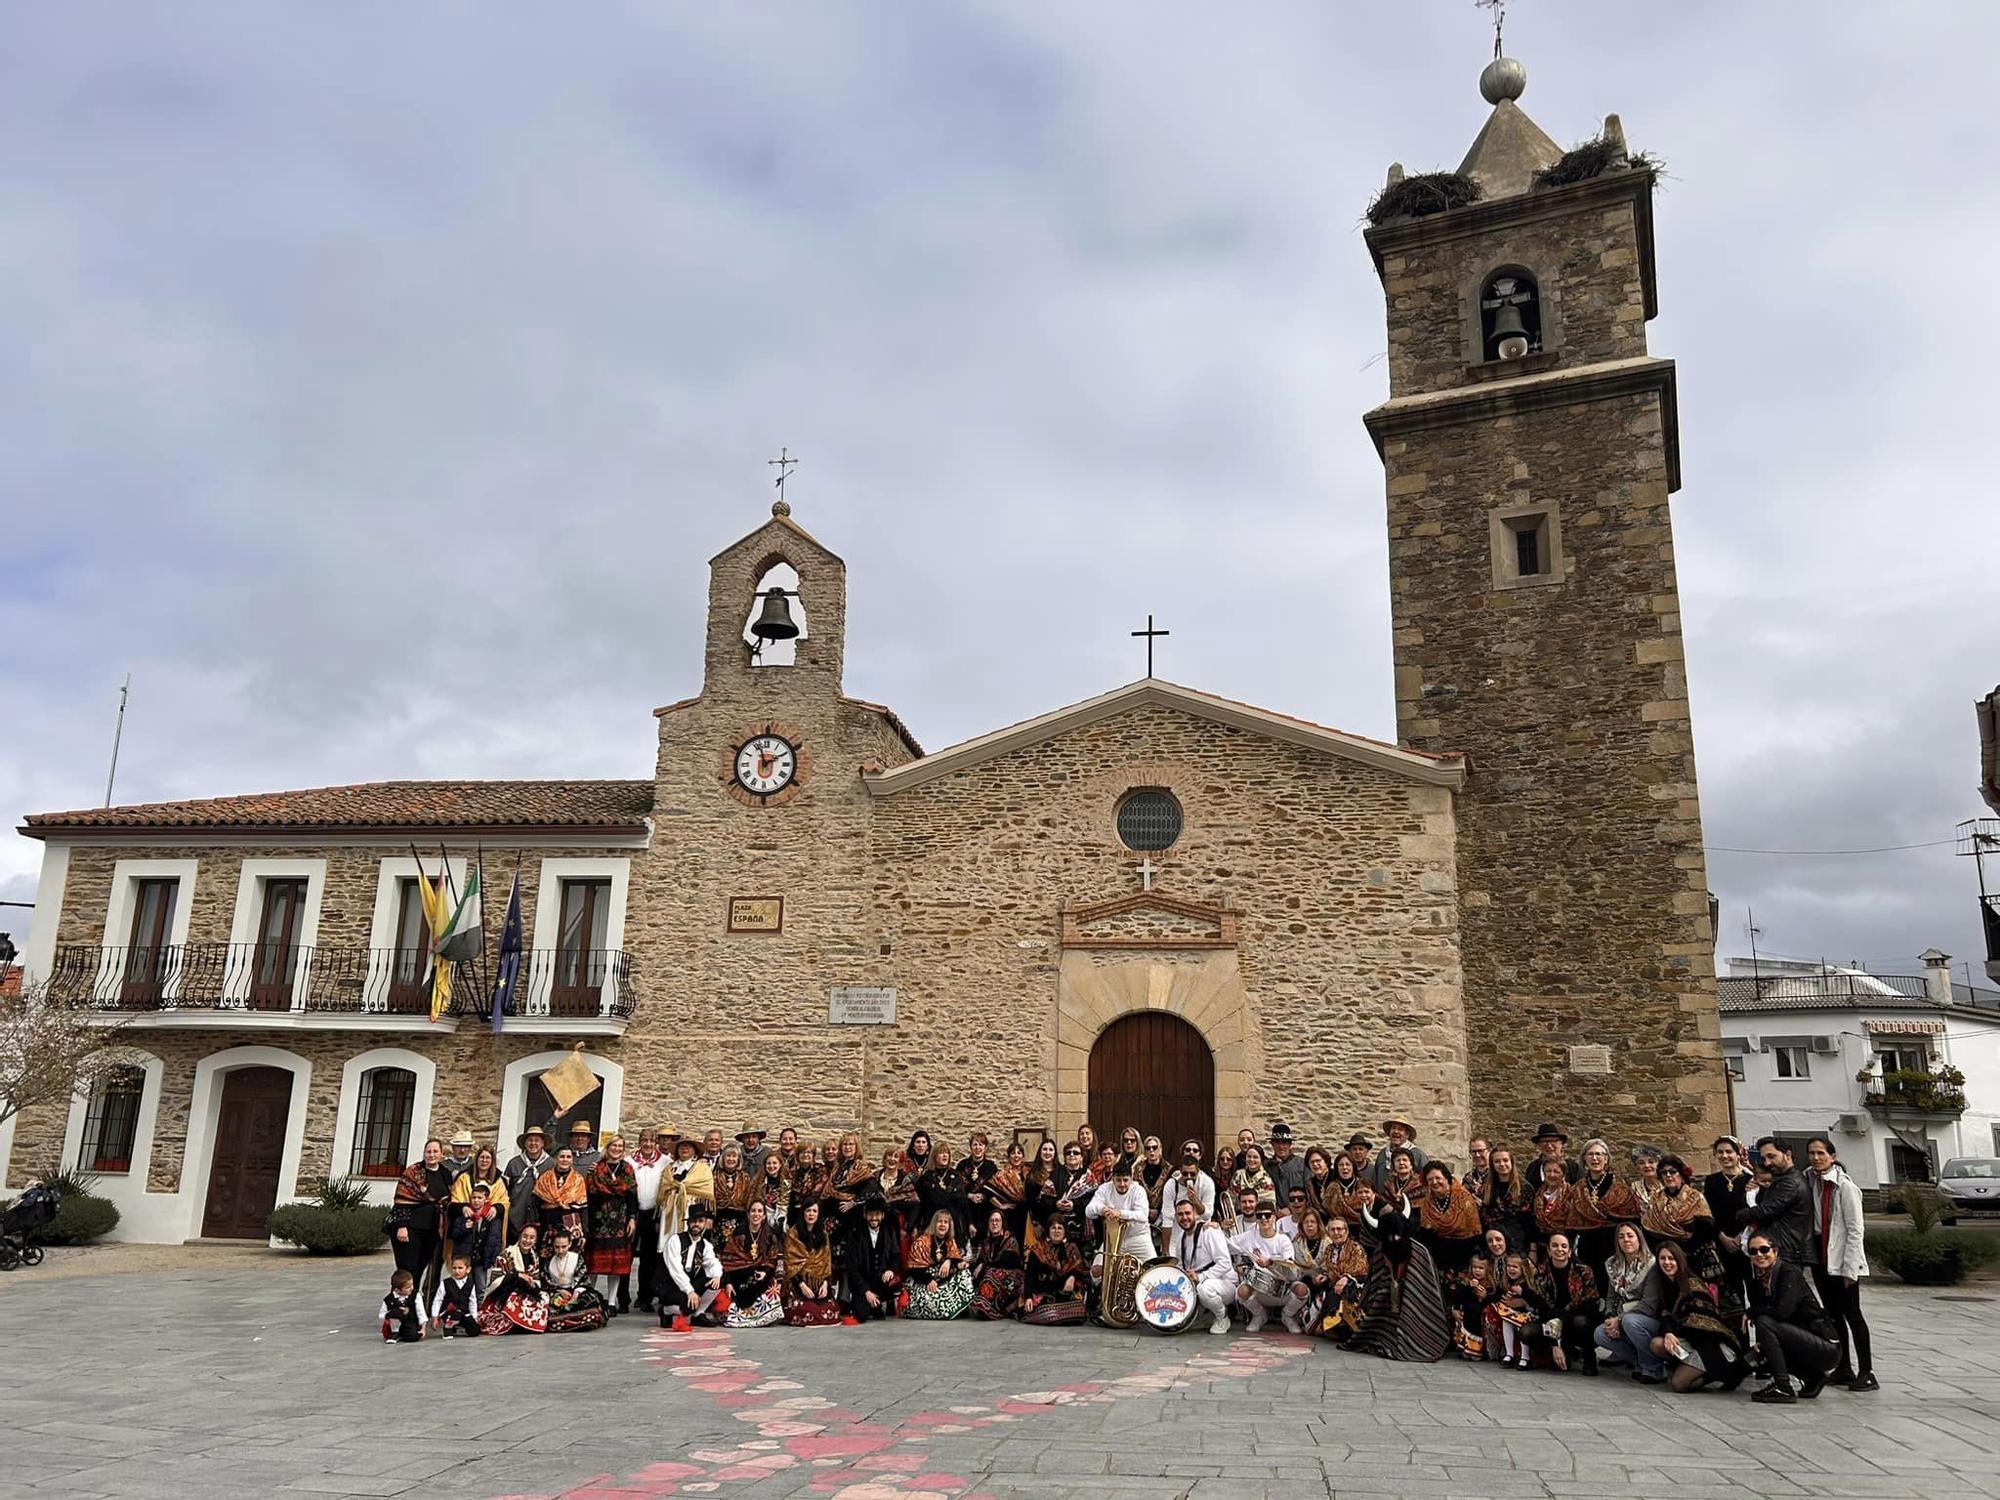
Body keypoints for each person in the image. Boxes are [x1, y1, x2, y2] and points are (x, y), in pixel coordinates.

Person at [1805, 1136, 1876, 1391]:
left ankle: (1867, 1371)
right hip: (1822, 1258)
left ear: (1832, 1156)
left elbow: (1855, 1231)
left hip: (1842, 1259)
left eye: (1821, 1153)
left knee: (1853, 1315)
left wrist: (1850, 1268)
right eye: (1812, 1153)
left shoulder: (1845, 1187)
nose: (1816, 1157)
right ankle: (1844, 1366)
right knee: (1833, 1315)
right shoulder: (1811, 1180)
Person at [1345, 1194, 1450, 1362]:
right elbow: (1375, 1282)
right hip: (1386, 1307)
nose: (1394, 1239)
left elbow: (1427, 1289)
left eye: (1398, 1236)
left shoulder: (1420, 1252)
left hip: (1415, 1307)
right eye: (1390, 1237)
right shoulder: (1381, 1251)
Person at [1745, 1230, 1840, 1403]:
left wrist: (1751, 1312)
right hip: (1799, 1339)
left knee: (1764, 1321)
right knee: (1755, 1354)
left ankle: (1783, 1386)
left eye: (1764, 1250)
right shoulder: (1758, 1279)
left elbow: (1782, 1312)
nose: (1759, 1255)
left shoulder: (1789, 1273)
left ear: (1775, 1251)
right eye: (1753, 1251)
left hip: (1824, 1345)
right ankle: (1812, 1377)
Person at [1649, 1239, 1743, 1392]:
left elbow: (1699, 1325)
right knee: (1657, 1344)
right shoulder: (1667, 1284)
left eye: (1671, 1259)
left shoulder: (1692, 1285)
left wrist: (1673, 1332)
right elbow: (1665, 1313)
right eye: (1663, 1259)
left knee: (1679, 1385)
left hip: (1712, 1345)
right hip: (1692, 1341)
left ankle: (1722, 1372)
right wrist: (1668, 1332)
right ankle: (1690, 1368)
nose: (1667, 1263)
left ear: (1680, 1260)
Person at [1592, 1222, 1668, 1383]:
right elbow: (1611, 1297)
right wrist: (1610, 1317)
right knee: (1600, 1333)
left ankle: (1654, 1368)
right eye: (1621, 1236)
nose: (1626, 1240)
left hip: (1647, 1319)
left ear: (1639, 1239)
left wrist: (1619, 1320)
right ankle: (1640, 1361)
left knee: (1630, 1321)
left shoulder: (1651, 1265)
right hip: (1623, 1316)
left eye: (1630, 1236)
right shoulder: (1614, 1265)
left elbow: (1649, 1304)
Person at [1522, 1231, 1600, 1374]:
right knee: (1527, 1332)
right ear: (1549, 1250)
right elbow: (1543, 1308)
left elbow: (1589, 1303)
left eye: (1564, 1246)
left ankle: (1588, 1357)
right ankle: (1555, 1352)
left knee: (1581, 1321)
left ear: (1570, 1251)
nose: (1559, 1249)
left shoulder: (1583, 1271)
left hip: (1576, 1320)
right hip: (1551, 1321)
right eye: (1555, 1246)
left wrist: (1562, 1318)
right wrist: (1554, 1345)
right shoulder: (1540, 1273)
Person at [388, 1137, 454, 1300]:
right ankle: (399, 1305)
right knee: (408, 1269)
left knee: (420, 1268)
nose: (431, 1155)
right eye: (428, 1151)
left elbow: (448, 1198)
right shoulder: (413, 1172)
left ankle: (414, 1306)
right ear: (424, 1153)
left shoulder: (445, 1173)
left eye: (435, 1151)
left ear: (441, 1154)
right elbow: (401, 1199)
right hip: (410, 1228)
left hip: (432, 1230)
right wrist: (402, 1226)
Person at [1640, 1154, 1721, 1283]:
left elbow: (1706, 1228)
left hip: (1693, 1255)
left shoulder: (1694, 1197)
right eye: (1663, 1173)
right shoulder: (1655, 1199)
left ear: (1682, 1175)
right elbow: (1649, 1226)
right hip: (1665, 1256)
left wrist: (1684, 1251)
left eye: (1672, 1172)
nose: (1668, 1176)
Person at [585, 1134, 639, 1313]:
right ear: (607, 1148)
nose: (616, 1149)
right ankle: (591, 1298)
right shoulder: (596, 1169)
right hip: (598, 1220)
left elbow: (632, 1196)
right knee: (593, 1263)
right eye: (613, 1146)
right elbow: (590, 1195)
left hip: (620, 1220)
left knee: (616, 1265)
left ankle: (612, 1302)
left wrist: (632, 1217)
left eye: (620, 1146)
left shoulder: (628, 1169)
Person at [1571, 1138, 1641, 1270]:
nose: (1595, 1158)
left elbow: (1632, 1217)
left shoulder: (1619, 1187)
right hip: (1587, 1247)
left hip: (1614, 1245)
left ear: (1606, 1159)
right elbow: (1572, 1220)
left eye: (1599, 1154)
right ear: (1584, 1159)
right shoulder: (1578, 1189)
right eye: (1590, 1154)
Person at [1741, 1137, 1813, 1265]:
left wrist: (1740, 1215)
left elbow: (1766, 1210)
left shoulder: (1790, 1182)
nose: (1767, 1163)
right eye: (1764, 1158)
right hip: (1782, 1249)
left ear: (1788, 1155)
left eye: (1771, 1156)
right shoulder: (1783, 1179)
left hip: (1786, 1252)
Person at [1703, 1135, 1755, 1314]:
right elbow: (1709, 1213)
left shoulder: (1750, 1179)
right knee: (1732, 1295)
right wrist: (1722, 1237)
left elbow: (1754, 1210)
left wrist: (1741, 1237)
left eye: (1729, 1152)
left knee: (1755, 1291)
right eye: (1720, 1152)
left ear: (1738, 1153)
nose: (1725, 1156)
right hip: (1723, 1244)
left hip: (1747, 1242)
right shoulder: (1712, 1181)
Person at [1230, 1201, 1299, 1333]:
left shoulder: (1283, 1239)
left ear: (1274, 1217)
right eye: (1259, 1216)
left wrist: (1270, 1264)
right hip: (1258, 1287)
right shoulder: (1249, 1236)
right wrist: (1216, 1227)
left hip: (1283, 1287)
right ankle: (1259, 1315)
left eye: (1267, 1215)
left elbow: (1291, 1269)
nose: (1263, 1219)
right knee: (1241, 1291)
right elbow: (1226, 1244)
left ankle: (1288, 1316)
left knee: (1302, 1290)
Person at [722, 1198, 785, 1327]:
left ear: (764, 1216)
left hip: (762, 1274)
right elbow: (729, 1260)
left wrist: (765, 1273)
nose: (756, 1214)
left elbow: (772, 1258)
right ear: (748, 1214)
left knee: (772, 1286)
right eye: (753, 1211)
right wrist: (727, 1282)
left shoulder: (769, 1234)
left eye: (760, 1211)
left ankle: (764, 1316)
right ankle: (743, 1316)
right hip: (739, 1275)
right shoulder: (739, 1233)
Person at [660, 1202, 724, 1329]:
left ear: (705, 1223)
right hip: (669, 1285)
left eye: (700, 1221)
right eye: (693, 1221)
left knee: (719, 1280)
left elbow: (713, 1262)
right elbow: (675, 1270)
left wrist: (717, 1276)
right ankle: (665, 1311)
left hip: (690, 1284)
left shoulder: (705, 1245)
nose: (697, 1224)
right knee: (687, 1306)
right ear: (688, 1222)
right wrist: (690, 1291)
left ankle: (698, 1315)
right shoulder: (675, 1240)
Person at [1413, 1163, 1484, 1277]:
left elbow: (1474, 1232)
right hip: (1438, 1256)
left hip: (1463, 1254)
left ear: (1446, 1178)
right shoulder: (1427, 1202)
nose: (1434, 1182)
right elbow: (1426, 1232)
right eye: (1430, 1179)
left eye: (1438, 1178)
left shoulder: (1464, 1198)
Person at [1085, 1160, 1157, 1271]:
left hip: (1138, 1237)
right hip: (1113, 1239)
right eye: (1118, 1180)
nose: (1122, 1184)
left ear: (1131, 1178)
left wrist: (1120, 1213)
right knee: (1096, 1270)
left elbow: (1143, 1215)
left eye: (1125, 1180)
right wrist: (1102, 1209)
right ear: (1112, 1179)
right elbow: (1088, 1211)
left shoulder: (1138, 1191)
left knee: (1153, 1270)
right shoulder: (1105, 1188)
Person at [478, 1224, 550, 1335]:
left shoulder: (534, 1257)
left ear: (535, 1240)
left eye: (532, 1237)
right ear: (520, 1237)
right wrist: (517, 1276)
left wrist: (531, 1283)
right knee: (515, 1297)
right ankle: (517, 1323)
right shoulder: (507, 1254)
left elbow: (536, 1280)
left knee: (544, 1296)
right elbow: (495, 1280)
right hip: (504, 1294)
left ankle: (527, 1324)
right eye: (525, 1236)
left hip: (526, 1292)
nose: (527, 1240)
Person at [782, 1199, 843, 1326]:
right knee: (808, 1312)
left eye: (814, 1211)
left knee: (832, 1310)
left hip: (818, 1283)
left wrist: (825, 1284)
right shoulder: (793, 1234)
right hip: (798, 1284)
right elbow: (791, 1265)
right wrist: (802, 1286)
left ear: (818, 1214)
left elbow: (826, 1262)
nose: (811, 1214)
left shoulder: (823, 1234)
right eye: (808, 1210)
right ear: (803, 1213)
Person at [1308, 1214, 1370, 1342]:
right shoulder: (1329, 1250)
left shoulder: (1355, 1248)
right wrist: (1324, 1277)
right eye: (1333, 1230)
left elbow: (1361, 1270)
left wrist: (1346, 1278)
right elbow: (1332, 1272)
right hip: (1336, 1287)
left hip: (1356, 1287)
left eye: (1339, 1229)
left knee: (1343, 1292)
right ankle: (1328, 1326)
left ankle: (1344, 1328)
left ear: (1346, 1231)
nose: (1336, 1233)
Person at [905, 1207, 973, 1319]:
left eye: (946, 1222)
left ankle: (954, 1308)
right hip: (923, 1283)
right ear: (934, 1224)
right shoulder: (922, 1242)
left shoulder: (950, 1242)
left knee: (965, 1273)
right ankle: (950, 1309)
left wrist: (950, 1261)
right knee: (937, 1306)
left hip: (942, 1283)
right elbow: (914, 1269)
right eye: (940, 1221)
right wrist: (928, 1280)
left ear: (949, 1226)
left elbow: (957, 1259)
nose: (943, 1225)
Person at [629, 1127, 670, 1313]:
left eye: (651, 1141)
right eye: (644, 1140)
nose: (648, 1144)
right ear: (639, 1142)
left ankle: (645, 1296)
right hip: (632, 1213)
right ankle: (622, 1297)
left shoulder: (665, 1162)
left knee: (649, 1258)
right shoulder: (629, 1161)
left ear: (656, 1143)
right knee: (627, 1255)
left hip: (653, 1213)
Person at [1020, 1214, 1089, 1324]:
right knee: (1040, 1306)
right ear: (1048, 1230)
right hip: (1043, 1290)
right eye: (1053, 1228)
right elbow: (1030, 1275)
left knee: (1076, 1306)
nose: (1056, 1231)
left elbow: (1080, 1271)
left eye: (1060, 1228)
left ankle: (1057, 1315)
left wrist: (1072, 1277)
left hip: (1065, 1291)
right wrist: (1028, 1297)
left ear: (1064, 1231)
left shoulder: (1072, 1249)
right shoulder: (1038, 1249)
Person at [845, 1194, 903, 1321]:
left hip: (880, 1280)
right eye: (871, 1215)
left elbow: (896, 1255)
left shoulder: (889, 1231)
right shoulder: (855, 1234)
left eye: (877, 1215)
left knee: (897, 1284)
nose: (874, 1218)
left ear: (882, 1216)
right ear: (865, 1215)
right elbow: (852, 1268)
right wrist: (867, 1292)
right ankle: (870, 1304)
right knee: (861, 1316)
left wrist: (891, 1270)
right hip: (862, 1282)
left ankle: (879, 1302)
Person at [541, 1226, 609, 1332]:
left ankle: (562, 1321)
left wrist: (576, 1293)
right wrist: (559, 1291)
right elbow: (545, 1282)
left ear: (570, 1244)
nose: (560, 1250)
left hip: (576, 1292)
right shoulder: (548, 1261)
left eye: (564, 1246)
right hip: (555, 1292)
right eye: (557, 1247)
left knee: (590, 1301)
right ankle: (569, 1320)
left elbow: (583, 1280)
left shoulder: (577, 1258)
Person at [969, 1206, 1025, 1319]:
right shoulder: (986, 1243)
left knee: (991, 1273)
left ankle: (990, 1309)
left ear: (1002, 1223)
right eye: (992, 1220)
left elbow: (1006, 1261)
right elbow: (979, 1261)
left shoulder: (1011, 1240)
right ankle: (984, 1307)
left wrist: (984, 1265)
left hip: (1013, 1278)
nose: (994, 1223)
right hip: (993, 1276)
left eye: (997, 1220)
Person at [448, 1181, 506, 1289]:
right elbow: (454, 1234)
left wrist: (493, 1257)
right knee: (462, 1286)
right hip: (465, 1258)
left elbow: (496, 1239)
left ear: (486, 1199)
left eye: (479, 1198)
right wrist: (464, 1228)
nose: (476, 1201)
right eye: (473, 1198)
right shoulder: (464, 1214)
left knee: (481, 1287)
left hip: (482, 1259)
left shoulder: (491, 1217)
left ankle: (479, 1306)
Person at [533, 1146, 589, 1254]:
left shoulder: (578, 1179)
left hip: (571, 1223)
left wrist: (585, 1232)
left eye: (568, 1157)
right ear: (555, 1159)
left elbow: (583, 1207)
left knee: (570, 1257)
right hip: (549, 1221)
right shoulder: (545, 1178)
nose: (565, 1159)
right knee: (547, 1255)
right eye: (562, 1156)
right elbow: (536, 1203)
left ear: (572, 1160)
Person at [503, 1125, 554, 1238]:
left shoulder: (551, 1164)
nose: (533, 1143)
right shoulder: (514, 1163)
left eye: (537, 1140)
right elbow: (505, 1189)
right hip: (516, 1215)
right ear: (525, 1143)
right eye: (530, 1140)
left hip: (541, 1215)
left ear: (543, 1144)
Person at [1479, 1148, 1530, 1252]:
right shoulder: (1487, 1187)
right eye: (1497, 1161)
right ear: (1492, 1165)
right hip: (1493, 1243)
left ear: (1511, 1162)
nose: (1502, 1164)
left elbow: (1529, 1221)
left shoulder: (1524, 1188)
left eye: (1505, 1160)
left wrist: (1532, 1249)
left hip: (1516, 1242)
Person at [1367, 1118, 1429, 1194]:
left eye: (1400, 1129)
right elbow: (1376, 1180)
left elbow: (1427, 1180)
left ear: (1407, 1134)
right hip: (1382, 1202)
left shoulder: (1418, 1155)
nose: (1396, 1131)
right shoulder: (1382, 1154)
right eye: (1393, 1128)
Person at [451, 1144, 510, 1221]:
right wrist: (463, 1208)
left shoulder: (498, 1181)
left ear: (492, 1161)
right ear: (477, 1159)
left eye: (488, 1158)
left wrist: (496, 1208)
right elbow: (454, 1201)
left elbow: (504, 1202)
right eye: (482, 1157)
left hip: (490, 1221)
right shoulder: (464, 1178)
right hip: (466, 1220)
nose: (484, 1160)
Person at [431, 1254, 482, 1338]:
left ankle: (458, 1326)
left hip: (464, 1312)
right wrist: (435, 1316)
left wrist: (474, 1317)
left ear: (468, 1269)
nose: (457, 1271)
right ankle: (448, 1326)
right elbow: (438, 1300)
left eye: (460, 1268)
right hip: (449, 1311)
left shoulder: (471, 1284)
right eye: (454, 1268)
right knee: (456, 1314)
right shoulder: (445, 1283)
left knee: (475, 1331)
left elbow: (472, 1301)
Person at [379, 1268, 426, 1342]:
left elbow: (421, 1312)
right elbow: (381, 1315)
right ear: (397, 1290)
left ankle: (408, 1332)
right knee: (395, 1312)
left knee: (412, 1337)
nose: (412, 1288)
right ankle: (395, 1332)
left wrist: (423, 1327)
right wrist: (391, 1313)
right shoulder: (388, 1299)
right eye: (408, 1288)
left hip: (410, 1321)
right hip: (394, 1324)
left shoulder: (415, 1295)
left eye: (412, 1285)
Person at [1267, 1122, 1308, 1202]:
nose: (1281, 1147)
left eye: (1284, 1143)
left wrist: (1290, 1208)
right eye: (1277, 1143)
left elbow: (1309, 1192)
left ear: (1290, 1144)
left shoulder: (1302, 1165)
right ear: (1272, 1144)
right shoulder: (1267, 1166)